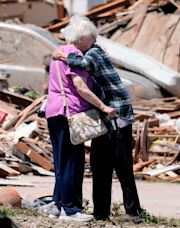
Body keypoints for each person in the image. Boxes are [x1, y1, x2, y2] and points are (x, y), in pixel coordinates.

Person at [53, 15, 142, 224]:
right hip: (104, 116)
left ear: (85, 38)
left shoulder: (94, 52)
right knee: (99, 163)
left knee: (122, 165)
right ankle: (101, 212)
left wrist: (62, 56)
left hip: (117, 115)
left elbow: (83, 63)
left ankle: (133, 211)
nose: (73, 44)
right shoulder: (92, 49)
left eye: (76, 40)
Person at [45, 18, 116, 222]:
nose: (94, 42)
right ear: (83, 37)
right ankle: (71, 209)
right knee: (72, 162)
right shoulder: (74, 54)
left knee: (61, 161)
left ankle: (58, 205)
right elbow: (80, 86)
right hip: (70, 113)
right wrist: (103, 107)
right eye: (92, 38)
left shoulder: (59, 50)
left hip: (54, 111)